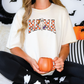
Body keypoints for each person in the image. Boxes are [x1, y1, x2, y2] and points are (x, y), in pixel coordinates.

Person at [0, 0, 84, 84]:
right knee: (1, 57)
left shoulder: (61, 11)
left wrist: (61, 60)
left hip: (55, 68)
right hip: (29, 67)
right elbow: (14, 47)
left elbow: (65, 46)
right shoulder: (22, 13)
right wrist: (30, 61)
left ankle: (37, 81)